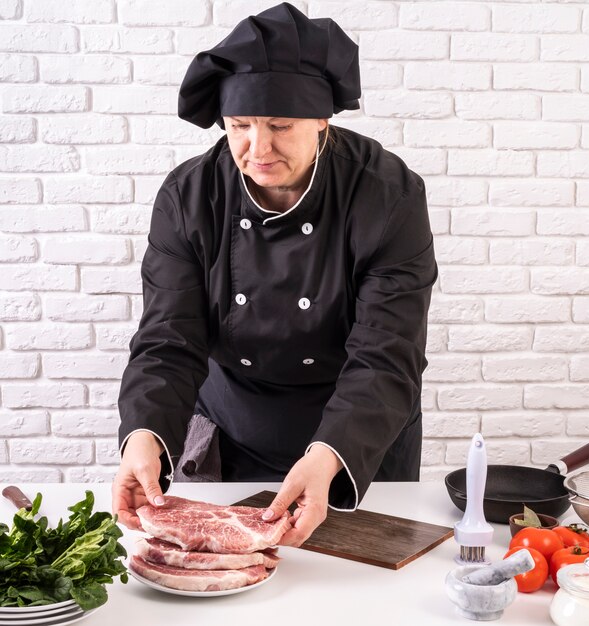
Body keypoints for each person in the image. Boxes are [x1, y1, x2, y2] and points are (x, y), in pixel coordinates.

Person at [112, 2, 437, 547]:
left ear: (321, 121)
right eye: (240, 125)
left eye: (280, 126)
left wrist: (330, 454)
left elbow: (387, 351)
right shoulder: (188, 197)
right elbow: (168, 339)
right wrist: (142, 434)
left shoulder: (389, 195)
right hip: (234, 429)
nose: (258, 149)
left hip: (360, 434)